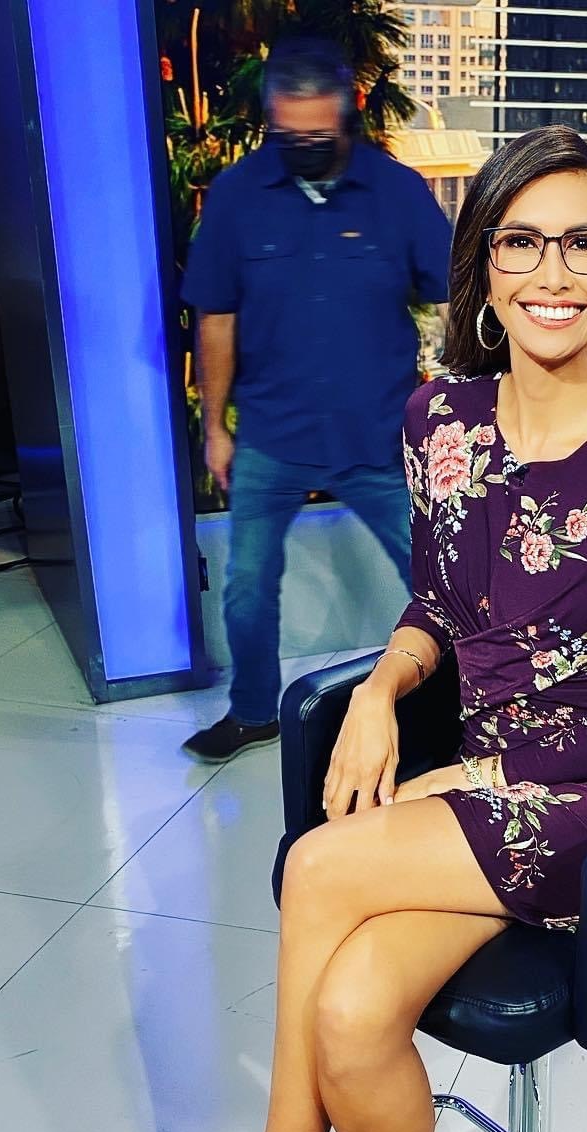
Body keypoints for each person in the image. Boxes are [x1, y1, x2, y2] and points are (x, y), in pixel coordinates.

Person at [144, 124, 587, 1132]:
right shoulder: (439, 418)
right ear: (481, 268)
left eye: (584, 242)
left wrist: (476, 778)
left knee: (319, 865)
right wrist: (382, 690)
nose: (552, 272)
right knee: (350, 1016)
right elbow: (442, 604)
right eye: (523, 242)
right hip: (494, 786)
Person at [180, 36, 453, 763]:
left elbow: (454, 299)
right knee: (246, 586)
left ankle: (473, 703)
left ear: (347, 113)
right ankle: (252, 714)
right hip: (273, 431)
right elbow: (216, 317)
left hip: (379, 434)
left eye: (317, 134)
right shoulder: (238, 195)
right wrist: (216, 427)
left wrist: (466, 407)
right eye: (288, 134)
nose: (302, 147)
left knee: (439, 577)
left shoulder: (397, 191)